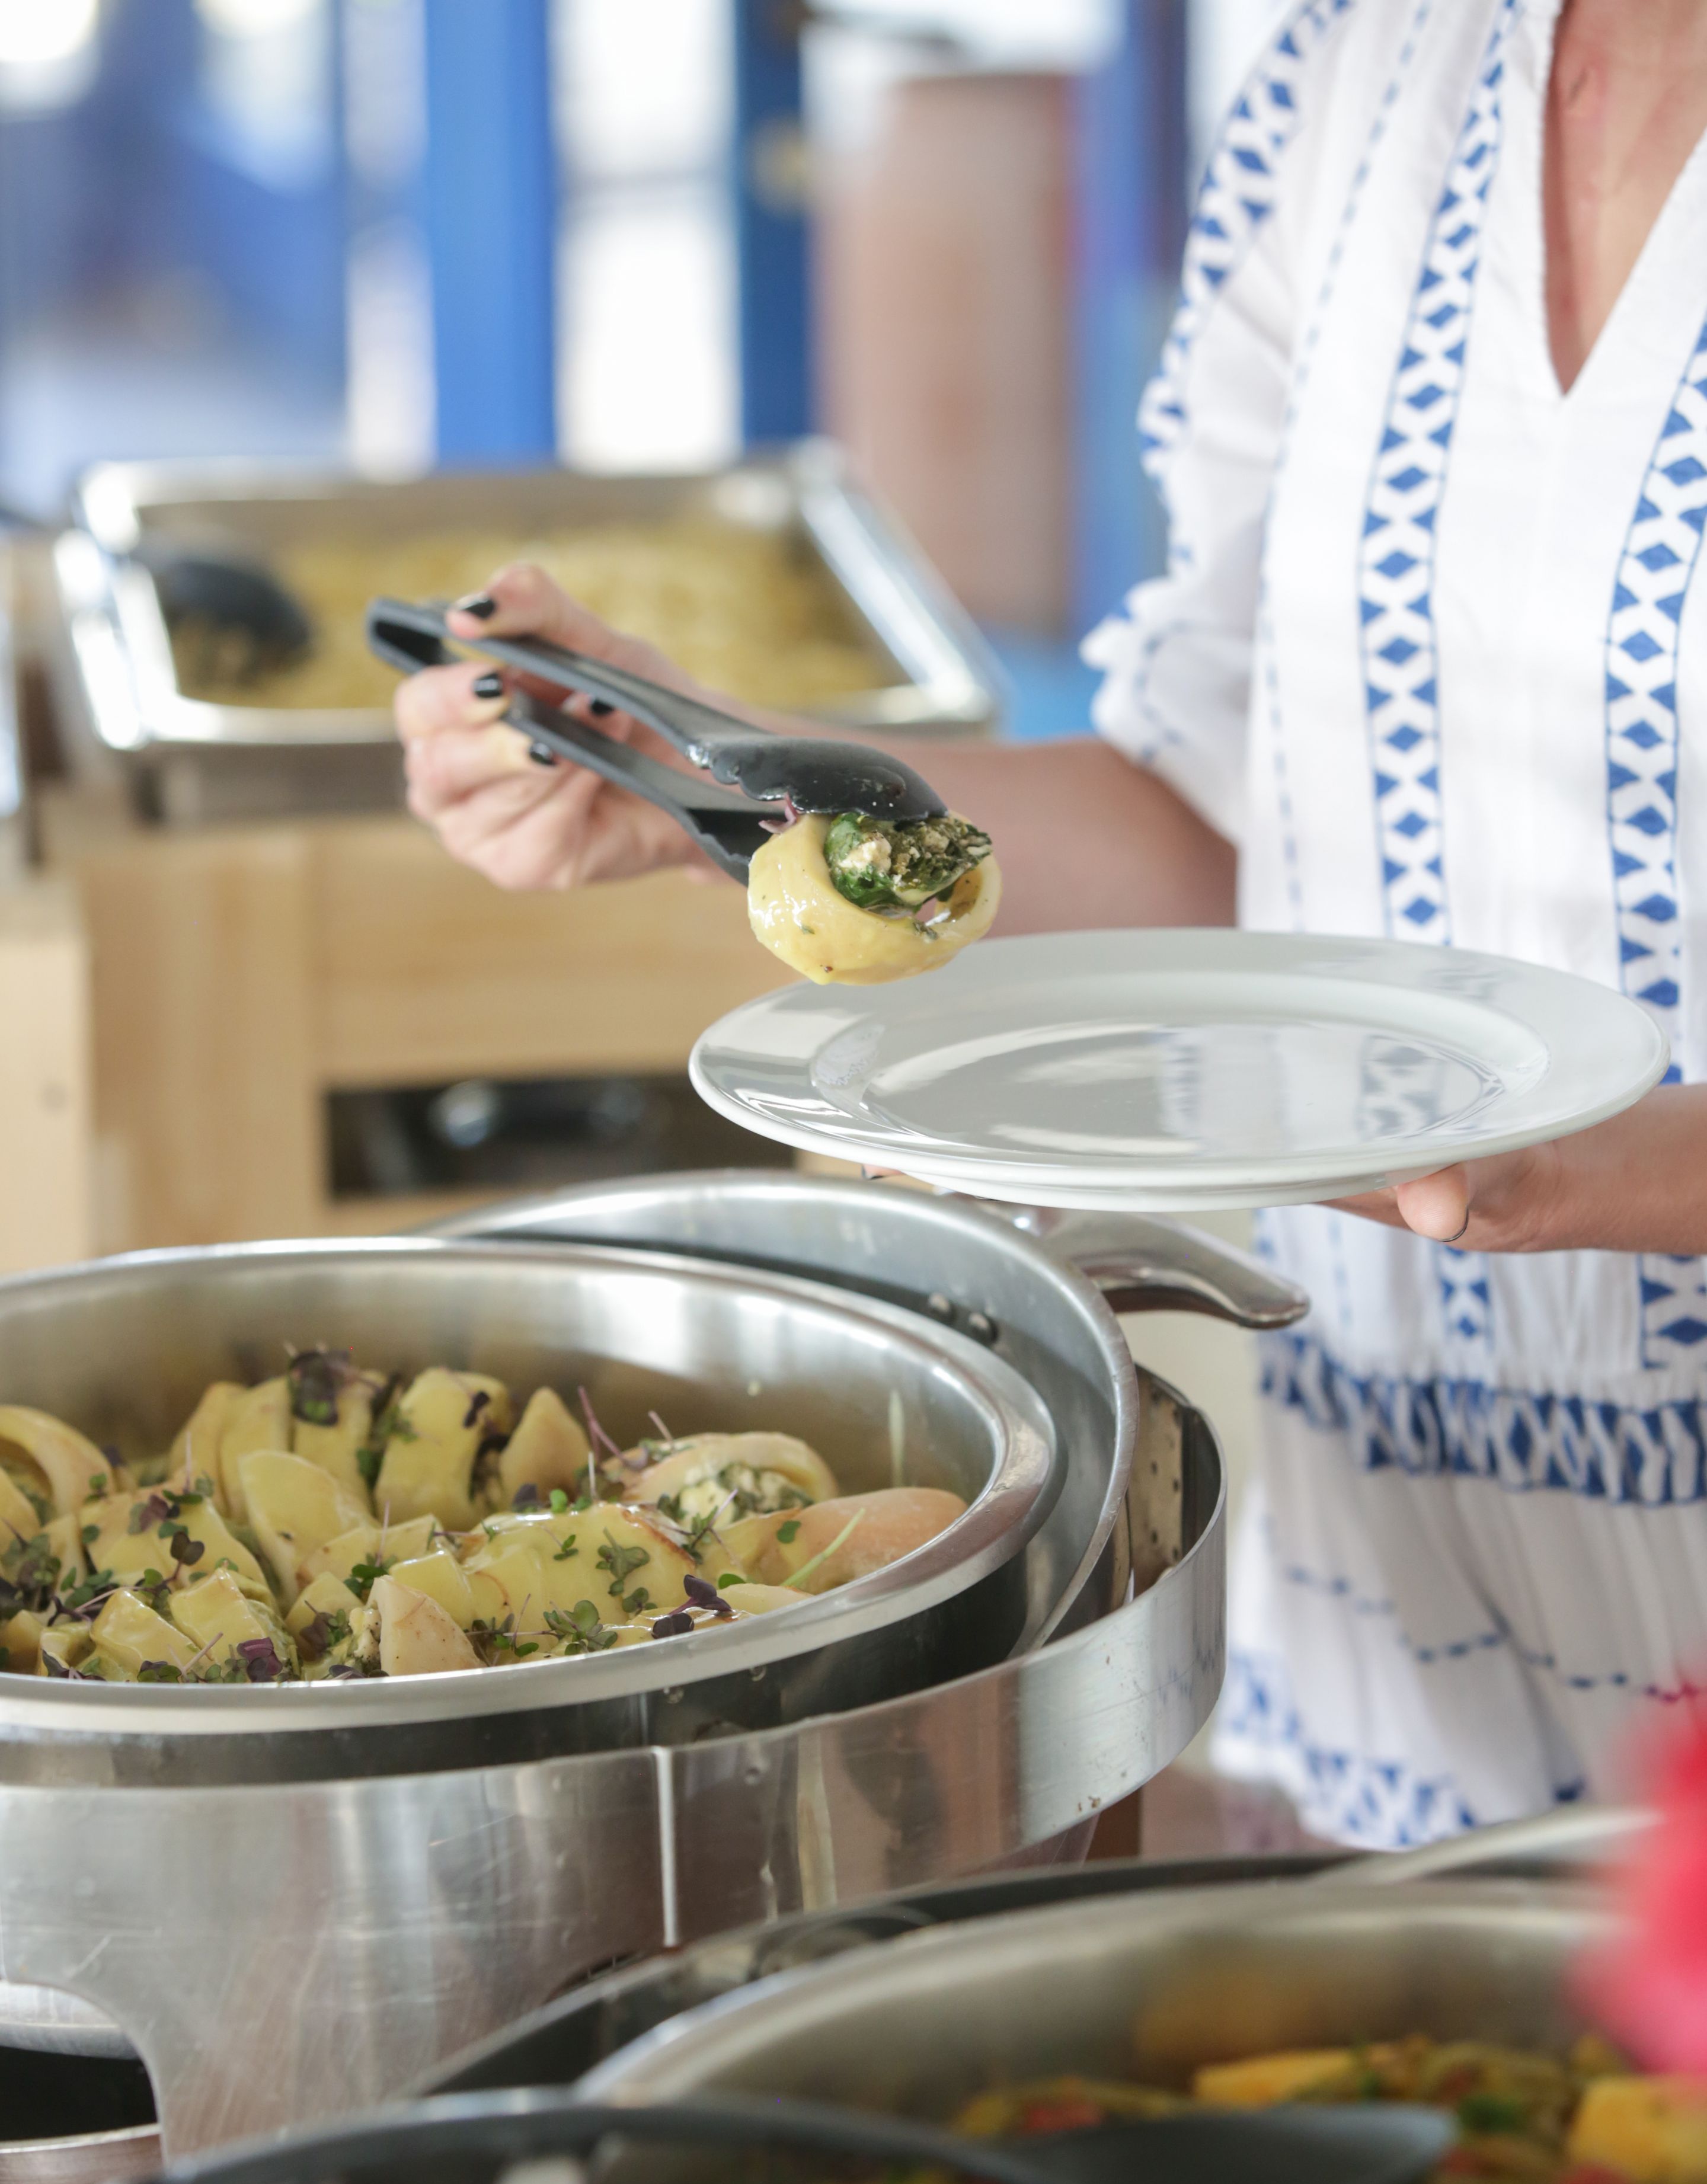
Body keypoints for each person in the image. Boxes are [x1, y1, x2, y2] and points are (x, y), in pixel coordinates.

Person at [396, 0, 1707, 1849]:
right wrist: (739, 790)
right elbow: (1226, 838)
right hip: (1408, 1655)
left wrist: (1611, 1175)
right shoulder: (1361, 78)